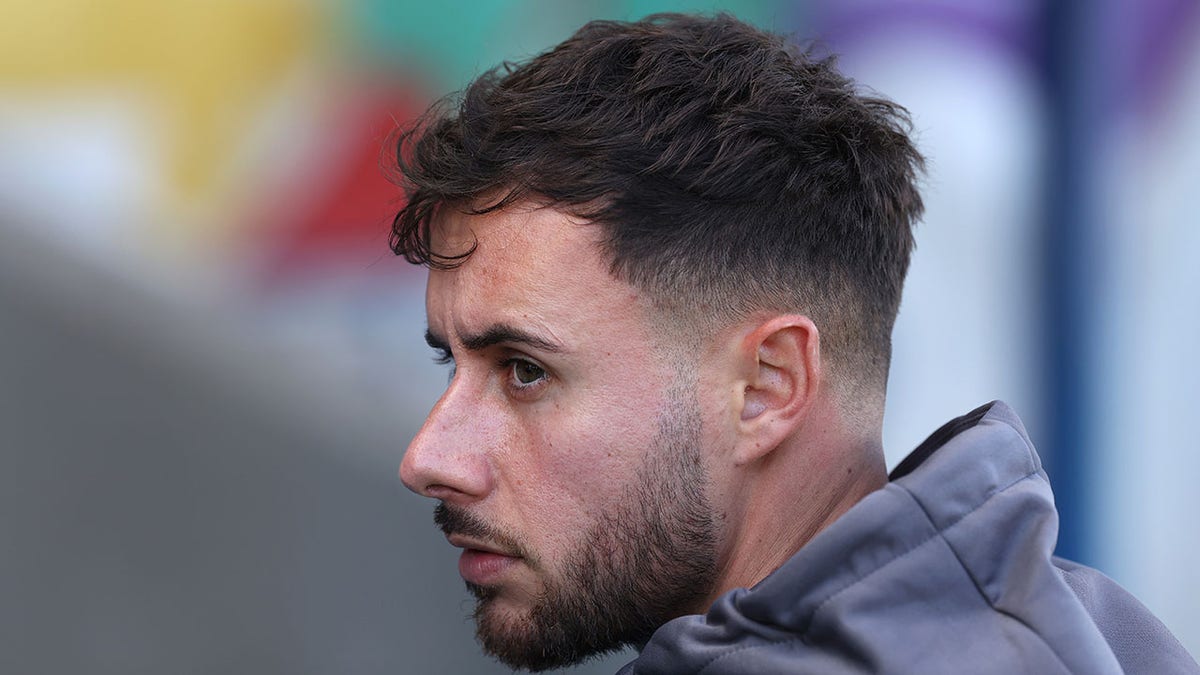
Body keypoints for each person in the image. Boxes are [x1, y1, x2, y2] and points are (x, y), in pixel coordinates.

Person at [389, 12, 1198, 674]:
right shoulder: (1098, 632)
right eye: (447, 361)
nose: (430, 455)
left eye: (524, 371)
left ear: (768, 386)